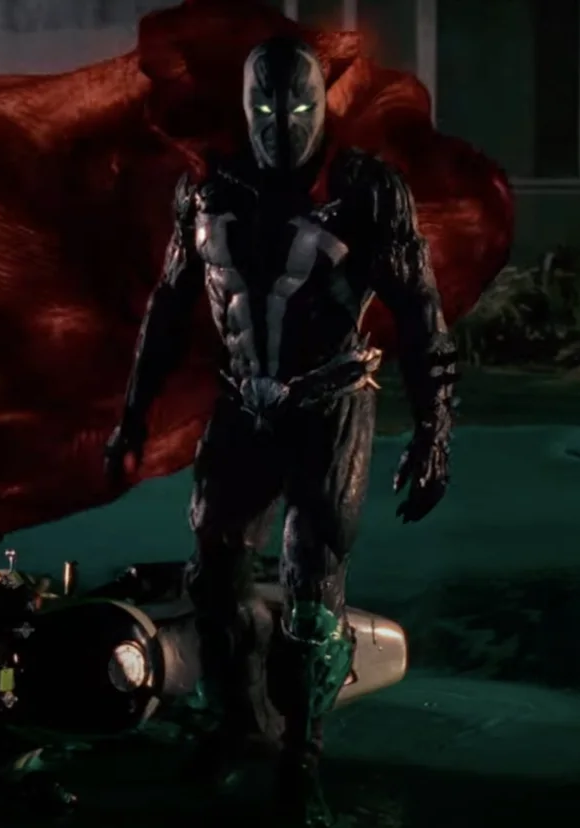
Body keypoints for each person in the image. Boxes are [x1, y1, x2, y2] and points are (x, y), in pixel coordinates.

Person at [103, 33, 456, 826]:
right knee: (213, 578)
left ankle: (302, 754)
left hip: (329, 406)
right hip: (243, 406)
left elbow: (420, 315)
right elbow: (169, 308)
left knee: (310, 588)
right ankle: (242, 725)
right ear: (244, 106)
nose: (281, 122)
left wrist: (435, 431)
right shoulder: (208, 189)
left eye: (298, 104)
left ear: (322, 105)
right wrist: (132, 416)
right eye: (265, 105)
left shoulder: (367, 190)